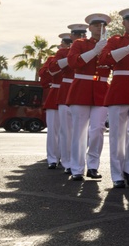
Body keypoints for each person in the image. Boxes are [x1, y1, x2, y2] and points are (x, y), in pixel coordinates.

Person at [101, 8, 129, 189]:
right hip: (119, 90)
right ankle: (116, 175)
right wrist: (128, 49)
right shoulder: (115, 40)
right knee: (116, 137)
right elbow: (104, 58)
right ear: (124, 23)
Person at [66, 13, 111, 181]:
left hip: (101, 89)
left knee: (98, 129)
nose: (100, 29)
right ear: (90, 28)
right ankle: (77, 168)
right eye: (96, 26)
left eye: (103, 26)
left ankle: (93, 166)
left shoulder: (109, 44)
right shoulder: (79, 44)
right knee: (79, 131)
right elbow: (74, 63)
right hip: (81, 89)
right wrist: (95, 51)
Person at [55, 25, 87, 175]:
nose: (81, 37)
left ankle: (77, 159)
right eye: (78, 35)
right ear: (72, 37)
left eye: (83, 34)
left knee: (84, 131)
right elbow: (54, 68)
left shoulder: (87, 48)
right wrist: (73, 57)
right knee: (66, 130)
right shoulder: (63, 52)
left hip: (84, 89)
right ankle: (67, 162)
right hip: (68, 88)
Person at [41, 33, 71, 170]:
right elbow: (45, 74)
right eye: (67, 42)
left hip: (72, 93)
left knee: (70, 131)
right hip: (56, 93)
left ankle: (67, 157)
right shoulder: (53, 59)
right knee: (53, 130)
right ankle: (52, 158)